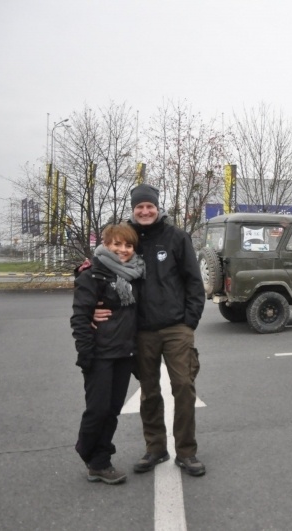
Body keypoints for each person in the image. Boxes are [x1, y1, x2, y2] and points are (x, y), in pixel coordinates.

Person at [98, 183, 207, 477]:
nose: (145, 211)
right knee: (149, 392)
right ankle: (155, 448)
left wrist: (189, 321)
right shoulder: (127, 240)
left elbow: (194, 283)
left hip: (176, 329)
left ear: (158, 208)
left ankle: (186, 452)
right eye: (139, 207)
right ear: (133, 210)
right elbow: (100, 266)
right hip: (141, 331)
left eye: (150, 206)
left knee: (184, 387)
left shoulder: (177, 238)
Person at [71, 222, 144, 485]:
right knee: (97, 409)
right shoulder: (93, 274)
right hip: (100, 354)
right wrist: (85, 354)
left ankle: (100, 462)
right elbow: (80, 317)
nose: (122, 249)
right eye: (116, 244)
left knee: (112, 410)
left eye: (127, 244)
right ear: (105, 244)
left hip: (123, 354)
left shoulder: (135, 273)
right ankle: (90, 453)